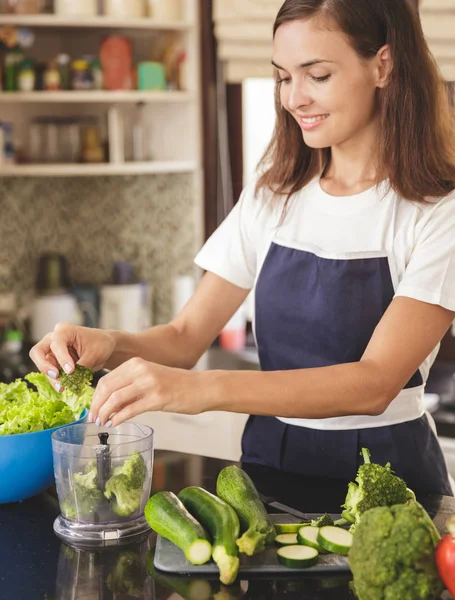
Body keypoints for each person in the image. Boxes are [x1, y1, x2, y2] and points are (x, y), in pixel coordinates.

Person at [31, 0, 455, 497]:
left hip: (389, 475)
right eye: (282, 77)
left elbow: (375, 383)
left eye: (316, 75)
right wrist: (108, 343)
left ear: (382, 65)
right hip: (268, 468)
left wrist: (201, 392)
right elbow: (185, 337)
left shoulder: (436, 211)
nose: (294, 98)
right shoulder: (274, 195)